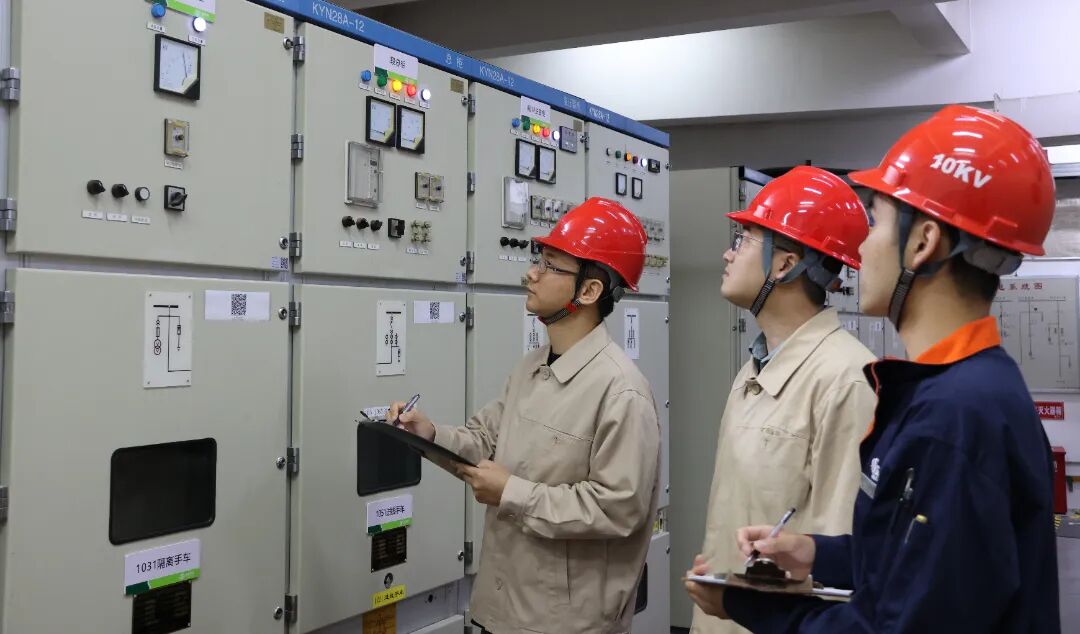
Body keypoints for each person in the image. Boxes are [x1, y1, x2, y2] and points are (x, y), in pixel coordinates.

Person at [686, 105, 1061, 632]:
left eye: (877, 223)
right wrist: (819, 553)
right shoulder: (965, 392)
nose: (860, 249)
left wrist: (751, 607)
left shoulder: (953, 420)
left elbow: (896, 624)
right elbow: (916, 567)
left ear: (923, 242)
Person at [389, 197, 660, 634]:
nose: (531, 273)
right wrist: (428, 433)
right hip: (502, 611)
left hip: (564, 625)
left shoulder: (621, 391)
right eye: (539, 260)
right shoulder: (532, 367)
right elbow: (483, 442)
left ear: (589, 291)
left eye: (550, 265)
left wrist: (512, 493)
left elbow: (617, 509)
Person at [692, 166, 877, 634]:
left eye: (743, 240)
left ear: (784, 263)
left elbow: (838, 558)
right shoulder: (755, 367)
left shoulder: (846, 379)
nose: (727, 253)